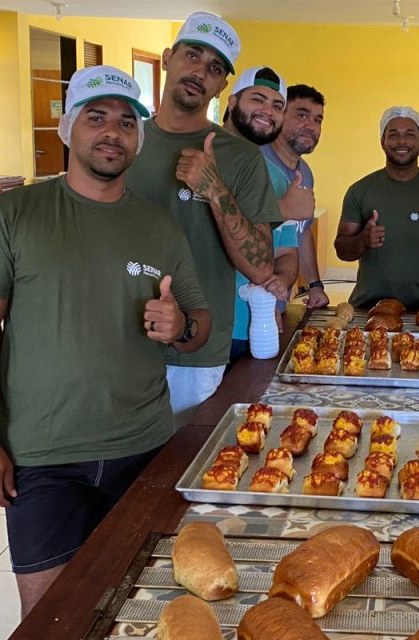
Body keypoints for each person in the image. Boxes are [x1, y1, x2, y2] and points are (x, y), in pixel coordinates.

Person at [0, 65, 210, 617]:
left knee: (137, 609)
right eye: (97, 118)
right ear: (68, 129)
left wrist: (180, 326)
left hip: (140, 448)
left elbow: (199, 323)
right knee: (52, 618)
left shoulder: (159, 226)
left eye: (126, 121)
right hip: (44, 457)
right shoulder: (13, 214)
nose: (113, 131)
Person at [123, 11, 281, 426]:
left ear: (222, 85)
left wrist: (214, 188)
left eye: (214, 68)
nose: (199, 72)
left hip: (193, 354)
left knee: (185, 474)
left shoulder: (241, 157)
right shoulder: (122, 141)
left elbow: (262, 266)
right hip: (114, 345)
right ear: (167, 57)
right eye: (192, 55)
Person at [335, 106, 419, 311]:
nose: (401, 142)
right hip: (367, 308)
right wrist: (362, 240)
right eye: (393, 135)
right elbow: (342, 250)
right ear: (382, 141)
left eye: (409, 135)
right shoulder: (359, 191)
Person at [222, 65, 298, 361]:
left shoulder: (277, 178)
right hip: (198, 330)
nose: (268, 110)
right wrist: (282, 210)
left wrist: (278, 284)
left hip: (253, 328)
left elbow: (287, 253)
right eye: (257, 99)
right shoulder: (202, 158)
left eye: (277, 105)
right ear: (231, 102)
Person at [265, 84, 328, 309]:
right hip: (248, 308)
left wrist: (314, 285)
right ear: (280, 114)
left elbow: (302, 230)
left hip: (278, 304)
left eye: (318, 120)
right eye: (302, 115)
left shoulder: (305, 172)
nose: (311, 126)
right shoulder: (255, 164)